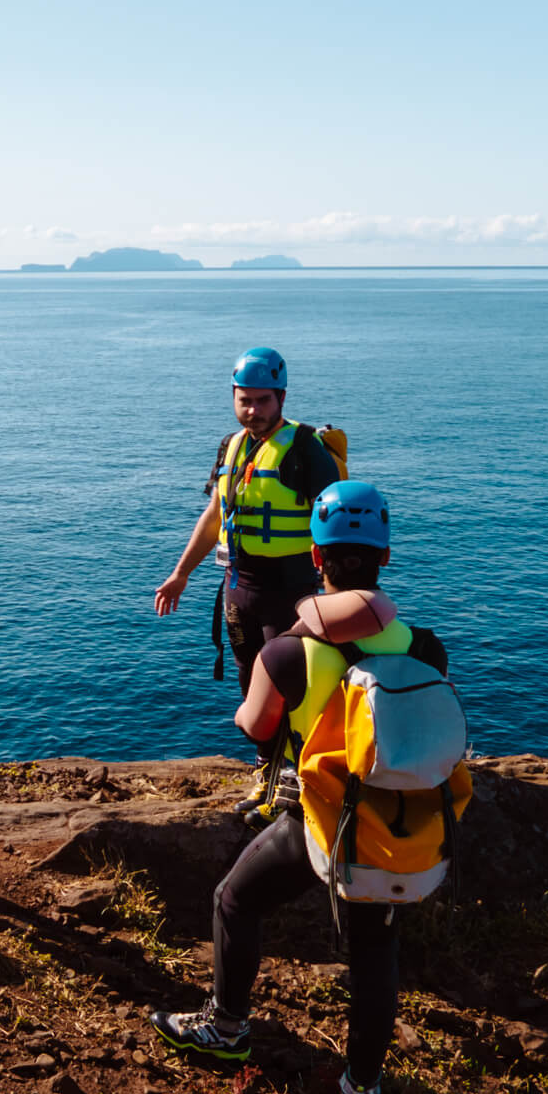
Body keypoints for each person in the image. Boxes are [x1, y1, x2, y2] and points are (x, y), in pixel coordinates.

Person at [149, 481, 470, 1094]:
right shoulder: (425, 645)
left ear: (316, 559)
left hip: (322, 820)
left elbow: (256, 726)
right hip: (401, 823)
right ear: (385, 556)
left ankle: (227, 1028)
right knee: (376, 950)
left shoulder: (287, 651)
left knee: (233, 898)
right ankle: (363, 1088)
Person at [153, 346, 340, 819]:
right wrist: (180, 574)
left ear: (280, 398)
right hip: (240, 585)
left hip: (292, 586)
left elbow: (335, 520)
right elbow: (216, 514)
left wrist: (340, 593)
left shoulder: (304, 449)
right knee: (247, 678)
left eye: (261, 401)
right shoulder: (230, 446)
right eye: (244, 400)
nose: (252, 410)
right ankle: (264, 771)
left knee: (291, 681)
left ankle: (296, 776)